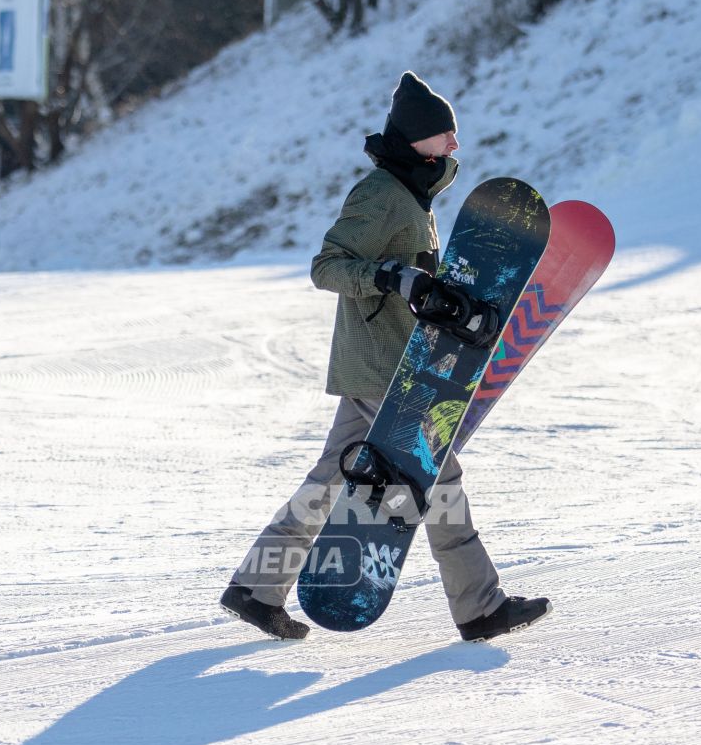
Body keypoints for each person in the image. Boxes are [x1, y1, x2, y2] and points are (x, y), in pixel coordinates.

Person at [220, 71, 551, 643]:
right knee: (439, 479)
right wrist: (390, 277)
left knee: (330, 480)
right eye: (444, 135)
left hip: (387, 365)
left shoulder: (412, 194)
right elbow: (327, 267)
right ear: (416, 139)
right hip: (386, 370)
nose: (454, 145)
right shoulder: (381, 196)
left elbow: (414, 280)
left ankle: (255, 588)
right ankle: (479, 607)